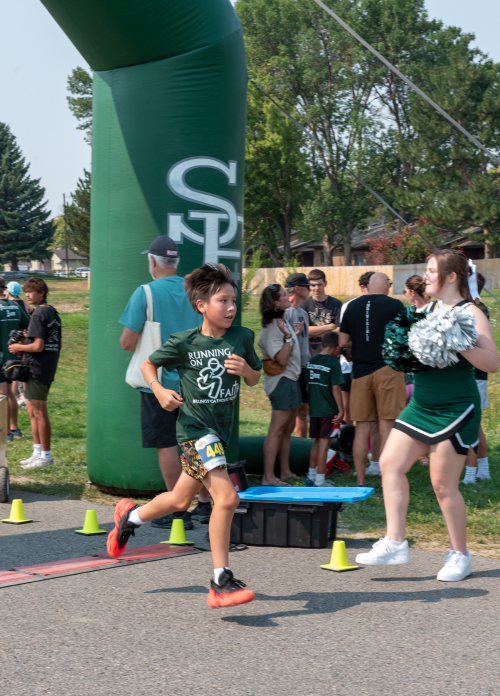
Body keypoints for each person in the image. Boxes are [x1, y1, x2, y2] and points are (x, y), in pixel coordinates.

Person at [107, 263, 262, 608]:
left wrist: (246, 370)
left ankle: (129, 519)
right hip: (194, 431)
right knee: (227, 498)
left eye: (233, 300)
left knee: (179, 501)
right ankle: (220, 579)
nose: (231, 307)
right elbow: (148, 364)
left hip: (219, 435)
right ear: (201, 305)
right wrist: (159, 390)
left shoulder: (242, 337)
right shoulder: (184, 342)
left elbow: (254, 379)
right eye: (223, 300)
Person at [356, 251, 498, 581]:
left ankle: (459, 555)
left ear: (452, 277)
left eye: (433, 270)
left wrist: (459, 341)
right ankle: (395, 542)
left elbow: (491, 363)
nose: (426, 275)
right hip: (421, 405)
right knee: (390, 464)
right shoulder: (426, 309)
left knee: (443, 485)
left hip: (455, 407)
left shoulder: (471, 312)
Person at [119, 236, 211, 528]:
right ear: (176, 261)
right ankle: (206, 504)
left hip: (158, 383)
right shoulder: (194, 291)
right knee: (196, 444)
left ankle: (177, 509)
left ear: (153, 261)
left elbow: (127, 342)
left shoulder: (145, 292)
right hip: (195, 380)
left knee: (167, 445)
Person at [339, 272, 406, 486]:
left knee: (362, 429)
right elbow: (405, 337)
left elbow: (342, 341)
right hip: (388, 369)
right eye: (389, 283)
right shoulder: (395, 305)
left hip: (360, 372)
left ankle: (360, 481)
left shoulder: (351, 306)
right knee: (387, 427)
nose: (390, 287)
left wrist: (361, 343)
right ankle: (389, 480)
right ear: (384, 285)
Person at [8, 278, 61, 469]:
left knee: (39, 412)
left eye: (32, 292)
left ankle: (45, 456)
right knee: (31, 410)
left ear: (42, 293)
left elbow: (38, 346)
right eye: (26, 291)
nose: (28, 295)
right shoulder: (51, 311)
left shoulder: (39, 313)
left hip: (38, 367)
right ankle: (37, 452)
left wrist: (18, 346)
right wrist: (26, 336)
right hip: (45, 365)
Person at [258, 284, 302, 485]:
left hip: (291, 379)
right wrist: (287, 338)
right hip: (281, 382)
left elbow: (287, 352)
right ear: (276, 303)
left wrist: (294, 335)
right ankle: (268, 477)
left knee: (288, 428)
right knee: (276, 429)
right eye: (284, 295)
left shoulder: (281, 321)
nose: (288, 297)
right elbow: (281, 360)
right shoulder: (272, 328)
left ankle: (285, 472)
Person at [305, 331, 344, 487]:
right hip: (327, 410)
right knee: (324, 445)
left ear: (322, 345)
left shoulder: (312, 360)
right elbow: (336, 388)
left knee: (315, 443)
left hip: (314, 409)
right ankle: (320, 480)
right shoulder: (334, 364)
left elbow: (308, 386)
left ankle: (311, 475)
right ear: (337, 348)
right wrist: (341, 410)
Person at [463, 272, 491, 483]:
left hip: (475, 374)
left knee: (473, 424)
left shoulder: (477, 311)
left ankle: (477, 471)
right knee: (475, 423)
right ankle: (483, 468)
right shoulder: (478, 308)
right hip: (475, 374)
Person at [339, 272, 374, 430]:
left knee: (369, 408)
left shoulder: (381, 304)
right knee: (347, 406)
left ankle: (368, 446)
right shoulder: (349, 305)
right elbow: (343, 335)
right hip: (349, 363)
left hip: (372, 364)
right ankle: (347, 445)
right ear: (363, 287)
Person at [0, 277, 30, 441]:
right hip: (12, 358)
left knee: (3, 395)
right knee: (10, 395)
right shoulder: (14, 306)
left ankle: (6, 432)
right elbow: (28, 325)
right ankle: (14, 429)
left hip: (1, 358)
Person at [284, 273, 310, 438]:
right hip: (288, 369)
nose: (310, 289)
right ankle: (286, 451)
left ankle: (302, 448)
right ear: (297, 289)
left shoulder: (303, 313)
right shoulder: (284, 312)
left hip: (303, 367)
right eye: (307, 286)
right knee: (288, 412)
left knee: (303, 410)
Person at [300, 269, 342, 356]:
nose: (316, 288)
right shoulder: (304, 304)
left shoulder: (336, 304)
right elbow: (304, 331)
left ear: (325, 283)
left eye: (319, 284)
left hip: (331, 355)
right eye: (313, 285)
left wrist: (313, 333)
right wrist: (329, 327)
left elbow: (339, 331)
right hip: (309, 354)